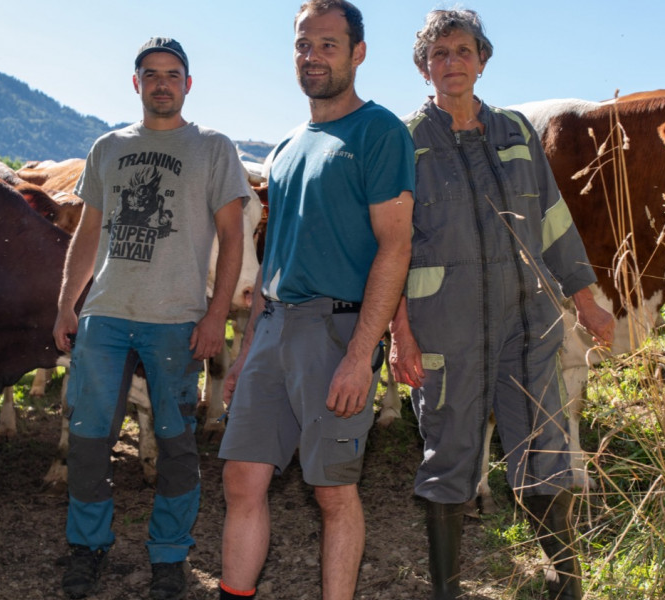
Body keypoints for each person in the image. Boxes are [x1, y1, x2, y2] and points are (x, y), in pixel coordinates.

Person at [388, 9, 615, 600]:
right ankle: (447, 590)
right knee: (449, 456)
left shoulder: (516, 131)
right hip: (444, 329)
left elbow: (554, 220)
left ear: (482, 61)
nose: (452, 63)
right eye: (439, 54)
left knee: (544, 450)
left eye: (463, 51)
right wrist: (400, 333)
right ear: (424, 69)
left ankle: (566, 584)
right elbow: (389, 247)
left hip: (528, 324)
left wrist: (585, 299)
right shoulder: (403, 142)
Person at [214, 1, 415, 599]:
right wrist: (248, 349)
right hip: (273, 326)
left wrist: (361, 355)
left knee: (331, 490)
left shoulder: (380, 132)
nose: (313, 56)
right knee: (241, 480)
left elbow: (395, 247)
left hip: (335, 332)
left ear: (358, 53)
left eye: (328, 44)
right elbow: (276, 259)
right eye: (304, 44)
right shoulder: (285, 149)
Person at [53, 36, 251, 600]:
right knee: (89, 439)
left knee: (176, 442)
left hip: (176, 318)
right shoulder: (108, 147)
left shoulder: (214, 148)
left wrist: (216, 314)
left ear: (187, 85)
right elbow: (89, 232)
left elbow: (233, 239)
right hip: (107, 314)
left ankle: (170, 556)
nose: (161, 83)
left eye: (172, 74)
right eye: (150, 74)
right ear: (135, 83)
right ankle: (87, 548)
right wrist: (68, 301)